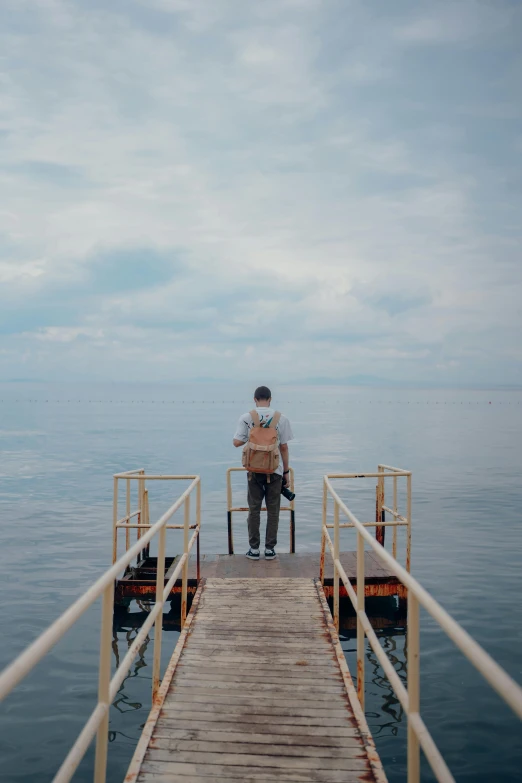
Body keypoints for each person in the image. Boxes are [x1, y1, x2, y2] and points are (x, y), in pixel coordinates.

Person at [233, 386, 294, 560]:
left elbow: (236, 442)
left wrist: (250, 438)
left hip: (253, 471)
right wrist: (286, 472)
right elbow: (284, 447)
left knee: (254, 510)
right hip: (275, 471)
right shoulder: (281, 418)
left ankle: (253, 549)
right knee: (273, 511)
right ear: (270, 398)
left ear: (254, 399)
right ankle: (269, 550)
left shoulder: (246, 418)